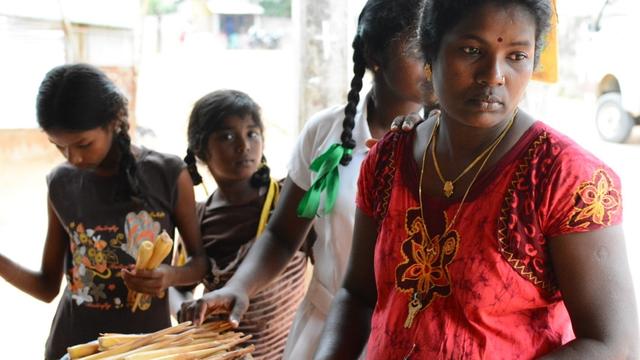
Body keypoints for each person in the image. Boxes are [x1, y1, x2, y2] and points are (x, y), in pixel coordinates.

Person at [314, 0, 640, 359]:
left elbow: (613, 344)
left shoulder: (567, 179)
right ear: (430, 53)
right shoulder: (388, 159)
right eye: (471, 51)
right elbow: (357, 295)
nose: (493, 74)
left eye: (516, 56)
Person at [179, 1, 436, 358]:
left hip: (416, 336)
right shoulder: (325, 133)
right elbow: (284, 236)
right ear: (374, 55)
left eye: (438, 45)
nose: (434, 62)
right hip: (328, 328)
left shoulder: (454, 143)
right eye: (419, 50)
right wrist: (240, 286)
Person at [0, 64, 209, 360]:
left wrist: (170, 275)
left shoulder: (168, 174)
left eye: (83, 144)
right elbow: (47, 287)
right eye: (59, 147)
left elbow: (200, 263)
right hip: (75, 347)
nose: (72, 158)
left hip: (147, 349)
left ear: (115, 120)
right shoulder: (61, 182)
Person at [177, 89, 308, 359]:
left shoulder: (286, 203)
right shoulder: (198, 218)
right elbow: (178, 288)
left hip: (288, 352)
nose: (244, 145)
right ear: (201, 149)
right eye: (227, 136)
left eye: (252, 133)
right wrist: (187, 311)